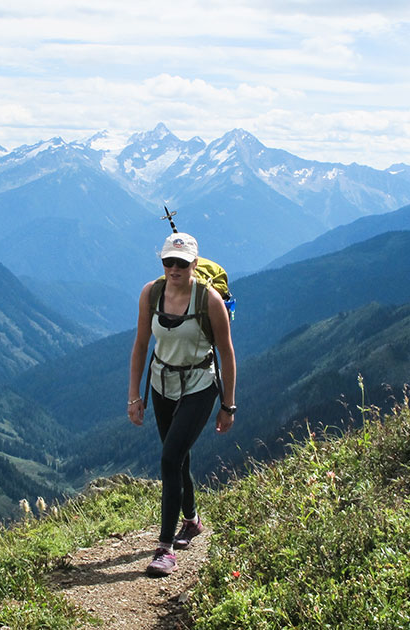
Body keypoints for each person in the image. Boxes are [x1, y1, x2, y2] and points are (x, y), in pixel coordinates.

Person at [127, 232, 237, 577]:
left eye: (181, 262)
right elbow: (141, 345)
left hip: (200, 386)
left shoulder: (210, 300)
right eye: (168, 262)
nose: (173, 268)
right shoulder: (151, 293)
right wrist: (134, 395)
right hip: (161, 384)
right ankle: (191, 521)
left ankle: (165, 548)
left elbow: (227, 354)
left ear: (194, 262)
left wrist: (228, 405)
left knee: (170, 457)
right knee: (179, 457)